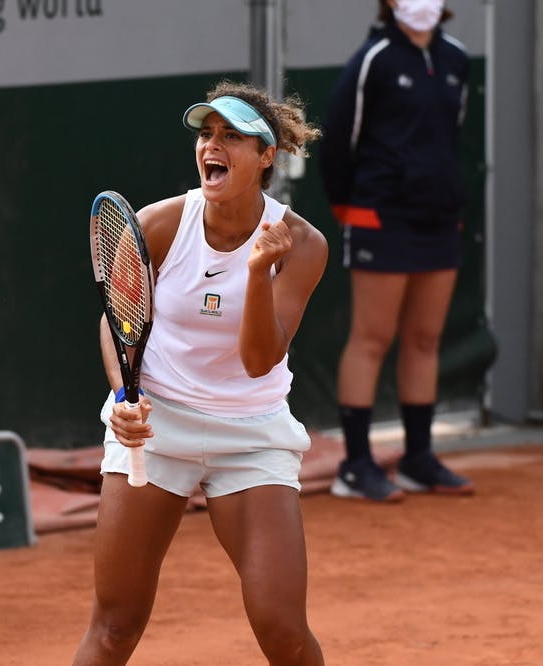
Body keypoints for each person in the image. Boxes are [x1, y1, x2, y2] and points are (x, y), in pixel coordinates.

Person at [73, 81, 327, 665]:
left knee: (283, 629)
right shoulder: (159, 225)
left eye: (232, 136)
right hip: (158, 426)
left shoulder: (302, 245)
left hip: (251, 434)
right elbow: (115, 322)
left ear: (266, 156)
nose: (213, 145)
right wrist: (122, 398)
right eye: (207, 134)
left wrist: (260, 271)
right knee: (114, 627)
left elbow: (260, 360)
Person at [319, 0, 475, 502]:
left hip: (438, 219)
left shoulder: (456, 58)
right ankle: (356, 464)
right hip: (379, 216)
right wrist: (351, 207)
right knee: (372, 337)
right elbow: (339, 139)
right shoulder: (375, 59)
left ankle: (418, 458)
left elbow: (451, 139)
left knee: (426, 338)